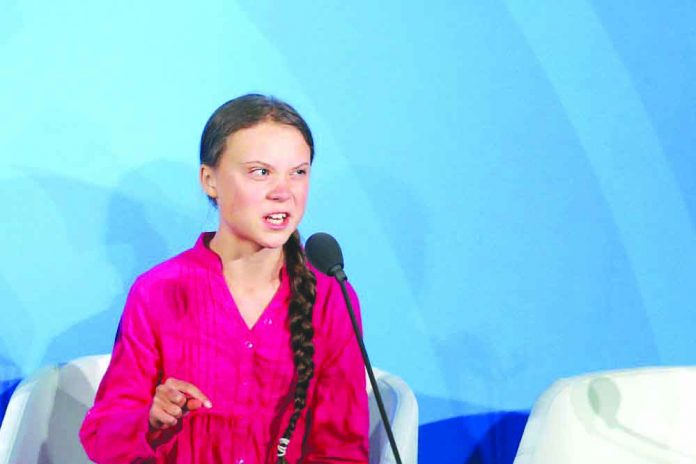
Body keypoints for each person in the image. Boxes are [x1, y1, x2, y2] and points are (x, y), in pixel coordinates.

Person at [79, 94, 370, 463]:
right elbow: (102, 437)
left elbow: (342, 450)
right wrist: (150, 418)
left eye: (298, 172)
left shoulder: (330, 298)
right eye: (260, 172)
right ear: (209, 180)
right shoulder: (158, 291)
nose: (284, 192)